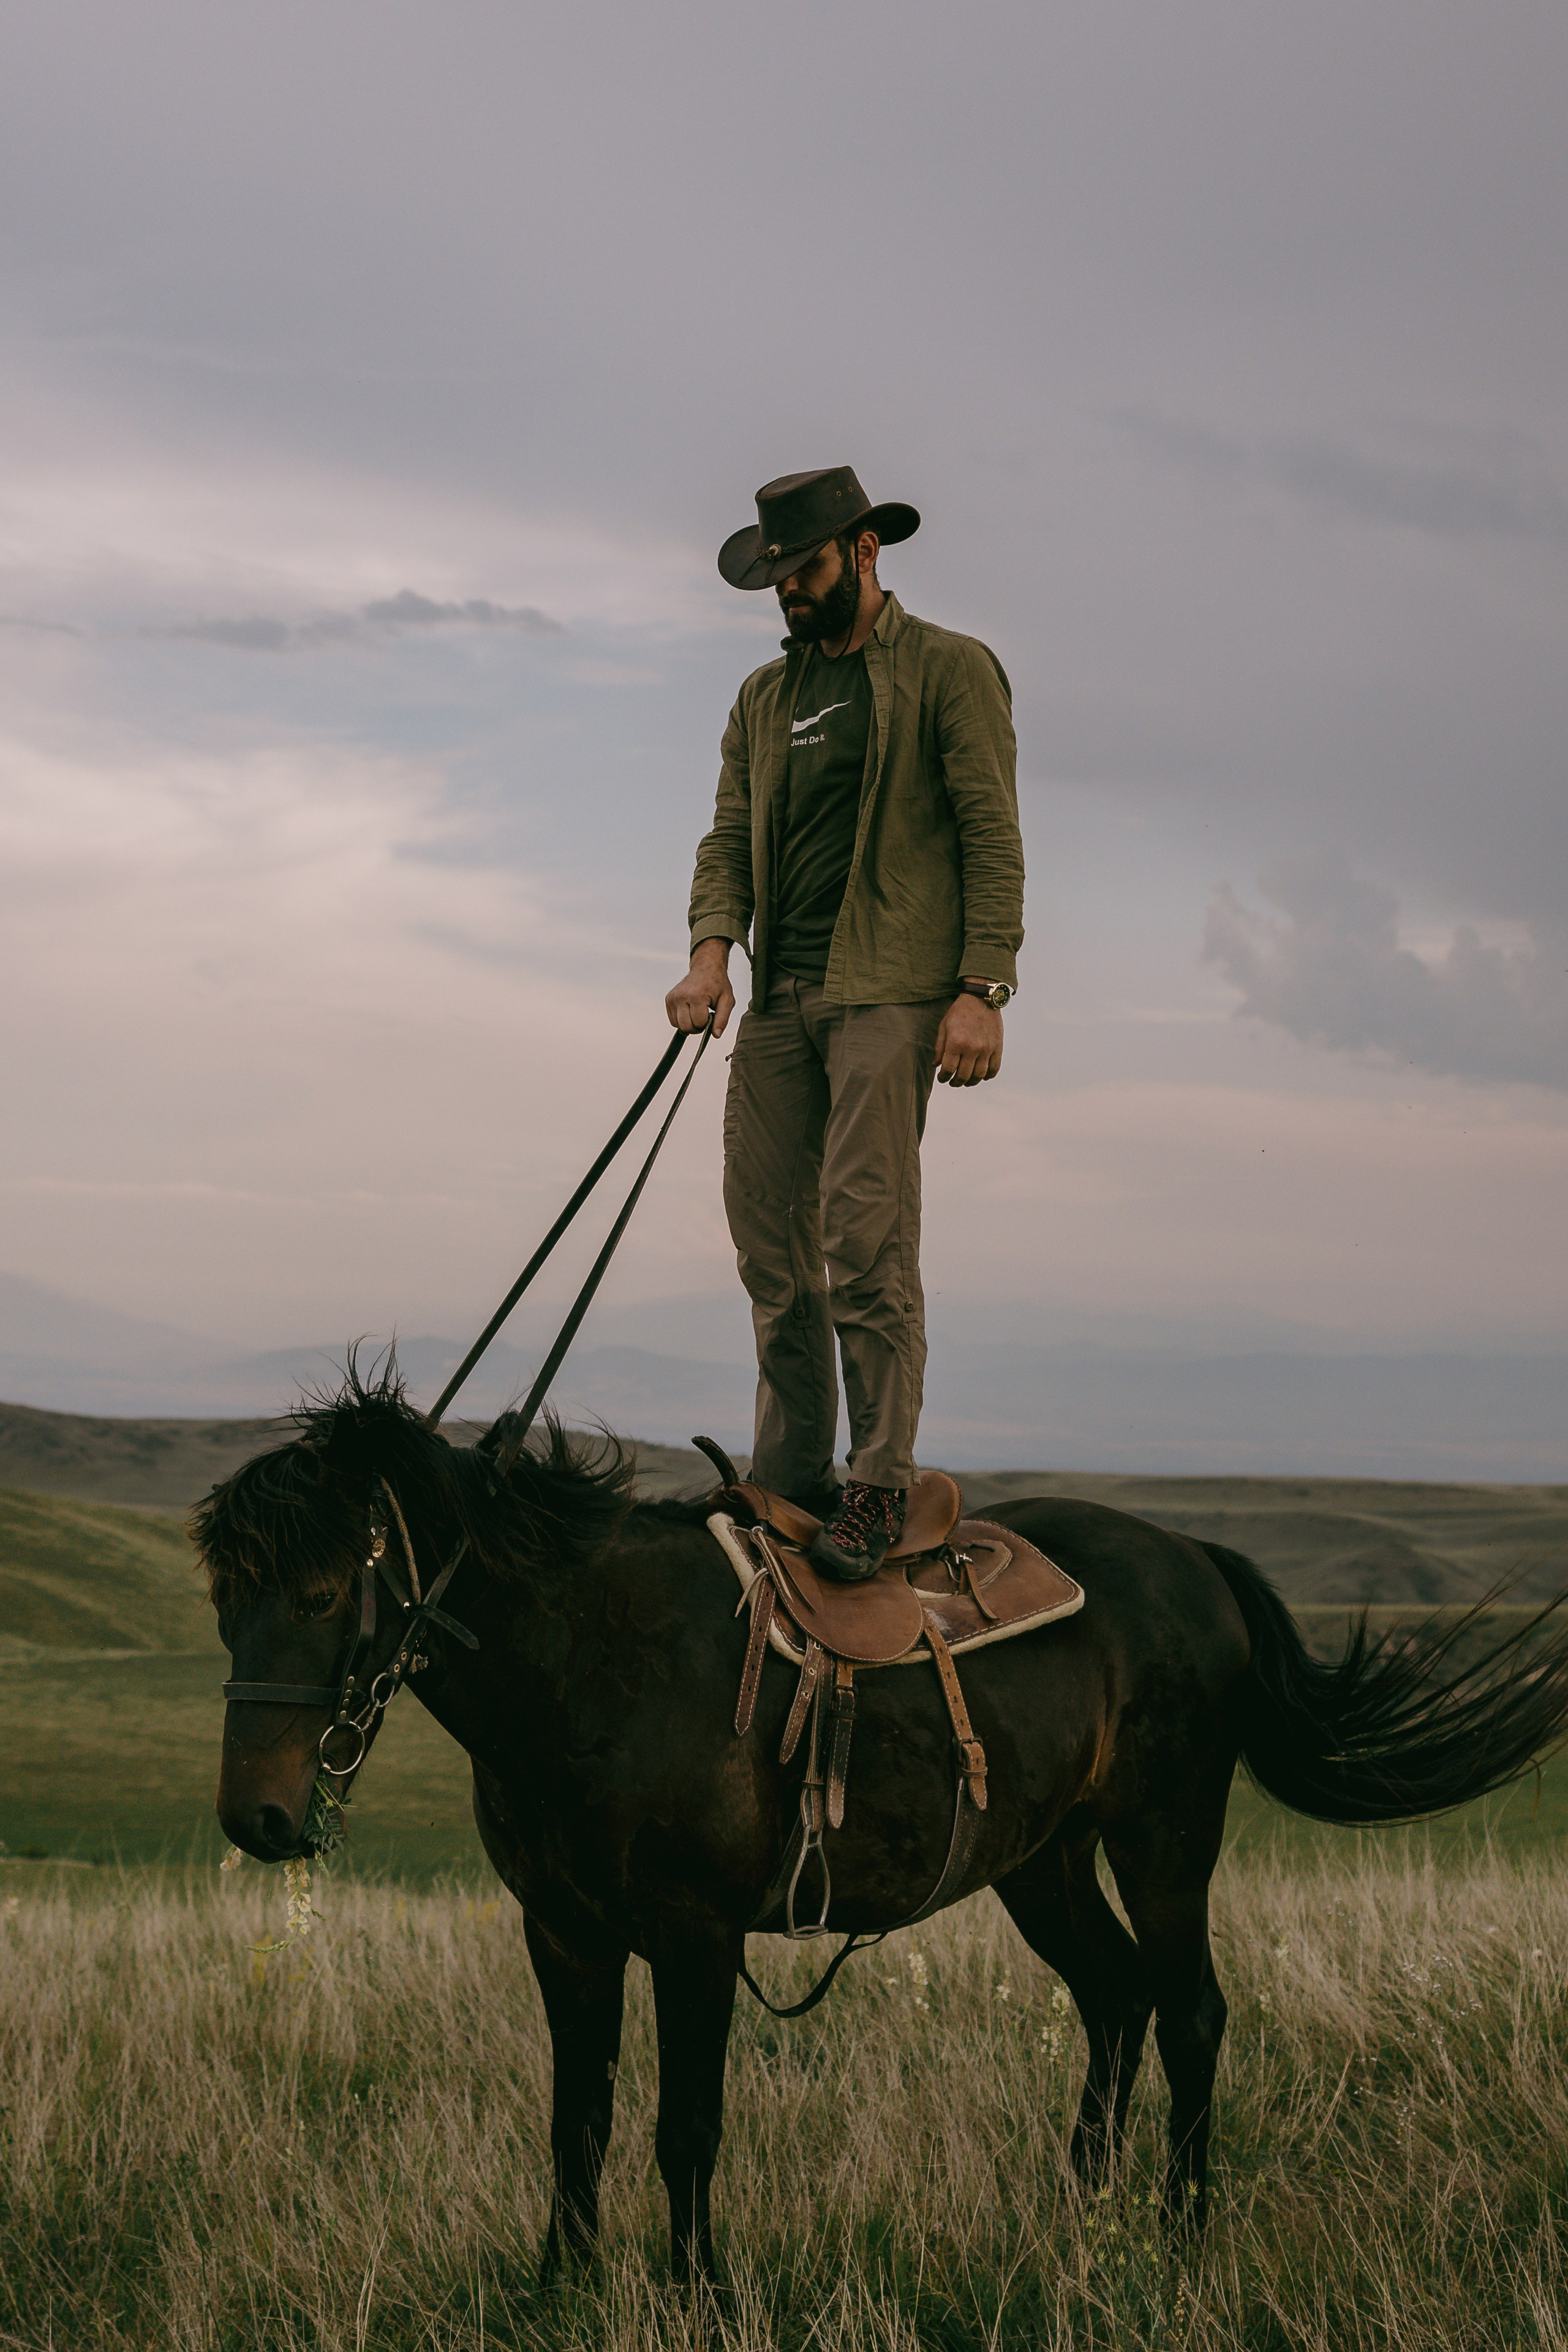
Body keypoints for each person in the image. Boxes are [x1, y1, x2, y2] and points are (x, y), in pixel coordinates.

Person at [666, 467, 1023, 1580]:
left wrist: (983, 989)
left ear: (865, 551)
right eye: (775, 576)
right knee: (770, 1247)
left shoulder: (948, 669)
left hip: (892, 991)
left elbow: (991, 832)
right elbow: (728, 837)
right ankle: (789, 1479)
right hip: (781, 998)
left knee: (865, 1241)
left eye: (806, 567)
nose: (789, 591)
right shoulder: (763, 698)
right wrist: (711, 953)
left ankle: (878, 1484)